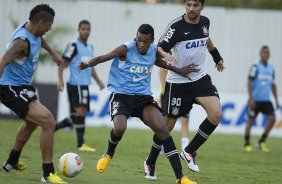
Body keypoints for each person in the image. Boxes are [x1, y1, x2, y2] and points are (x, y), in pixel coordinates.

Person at [79, 24, 198, 184]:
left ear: (151, 41)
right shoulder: (126, 49)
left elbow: (163, 64)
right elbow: (103, 57)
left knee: (163, 129)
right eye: (139, 40)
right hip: (121, 96)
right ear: (136, 38)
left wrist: (181, 70)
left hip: (142, 99)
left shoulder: (152, 51)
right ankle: (109, 153)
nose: (141, 44)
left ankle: (180, 177)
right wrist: (87, 63)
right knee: (120, 127)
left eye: (145, 41)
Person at [144, 0, 225, 179]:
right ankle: (150, 161)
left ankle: (188, 151)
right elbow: (158, 48)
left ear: (202, 6)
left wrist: (217, 57)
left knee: (216, 114)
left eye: (195, 5)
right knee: (167, 126)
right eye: (188, 4)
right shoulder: (176, 27)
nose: (191, 9)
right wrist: (167, 56)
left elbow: (207, 39)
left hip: (200, 80)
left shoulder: (205, 22)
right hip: (178, 83)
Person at [0, 4, 67, 183]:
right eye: (49, 25)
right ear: (41, 22)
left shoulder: (32, 29)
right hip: (10, 88)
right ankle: (47, 173)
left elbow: (41, 40)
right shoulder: (21, 42)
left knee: (32, 122)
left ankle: (11, 161)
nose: (50, 28)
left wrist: (53, 53)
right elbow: (3, 61)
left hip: (22, 86)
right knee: (48, 121)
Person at [55, 20, 105, 152]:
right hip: (77, 84)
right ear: (78, 30)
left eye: (87, 29)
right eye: (83, 29)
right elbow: (62, 62)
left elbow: (91, 66)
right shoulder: (73, 45)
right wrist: (59, 80)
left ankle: (53, 128)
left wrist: (99, 81)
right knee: (81, 112)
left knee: (75, 116)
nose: (85, 31)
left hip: (83, 85)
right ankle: (81, 144)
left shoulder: (90, 47)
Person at [244, 45, 279, 152]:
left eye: (267, 52)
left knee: (273, 119)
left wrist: (276, 99)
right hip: (255, 100)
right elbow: (249, 81)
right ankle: (247, 143)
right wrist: (251, 98)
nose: (266, 54)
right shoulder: (255, 66)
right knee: (250, 121)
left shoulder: (271, 68)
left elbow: (273, 84)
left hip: (266, 100)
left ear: (269, 55)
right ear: (260, 54)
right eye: (264, 52)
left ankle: (261, 141)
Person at [159, 68, 190, 151]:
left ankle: (185, 148)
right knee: (166, 121)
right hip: (169, 94)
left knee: (185, 120)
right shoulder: (169, 56)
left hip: (184, 93)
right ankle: (161, 144)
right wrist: (163, 85)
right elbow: (161, 70)